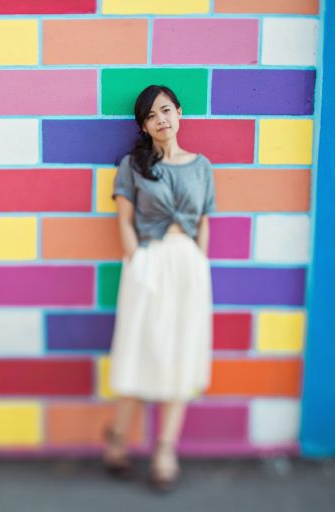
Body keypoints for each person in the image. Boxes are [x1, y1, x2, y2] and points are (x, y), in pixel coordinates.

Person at [102, 85, 215, 492]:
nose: (161, 120)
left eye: (166, 110)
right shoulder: (133, 165)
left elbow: (204, 219)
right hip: (149, 262)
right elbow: (123, 218)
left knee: (180, 355)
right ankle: (117, 434)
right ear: (145, 126)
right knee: (140, 348)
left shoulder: (201, 166)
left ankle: (165, 450)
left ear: (180, 113)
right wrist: (136, 261)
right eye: (151, 116)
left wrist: (200, 261)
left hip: (187, 266)